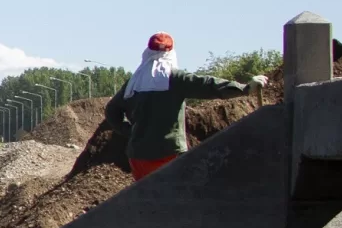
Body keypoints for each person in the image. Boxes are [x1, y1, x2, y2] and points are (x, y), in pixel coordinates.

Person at [104, 32, 267, 182]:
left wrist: (130, 131)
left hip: (138, 156)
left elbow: (111, 111)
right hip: (169, 153)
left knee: (147, 202)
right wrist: (245, 88)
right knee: (172, 200)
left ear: (147, 52)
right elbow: (209, 85)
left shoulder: (134, 83)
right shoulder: (174, 78)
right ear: (170, 54)